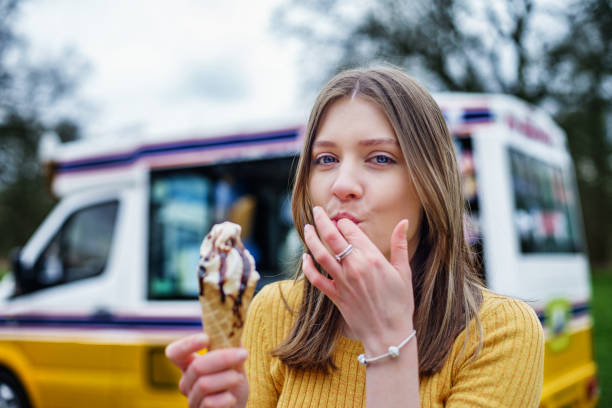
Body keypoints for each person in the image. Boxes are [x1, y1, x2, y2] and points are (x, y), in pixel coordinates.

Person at [165, 66, 545, 408]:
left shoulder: (500, 332)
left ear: (430, 184)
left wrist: (387, 343)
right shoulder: (275, 310)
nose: (342, 185)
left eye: (380, 158)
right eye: (325, 160)